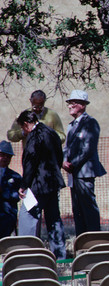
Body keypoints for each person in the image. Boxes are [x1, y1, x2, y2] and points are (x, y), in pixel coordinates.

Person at [16, 111, 66, 259]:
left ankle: (26, 255)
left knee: (28, 218)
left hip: (37, 186)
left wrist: (24, 185)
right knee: (54, 220)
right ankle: (61, 258)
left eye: (23, 128)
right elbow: (59, 156)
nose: (23, 132)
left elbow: (31, 162)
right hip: (52, 183)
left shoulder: (34, 137)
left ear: (26, 124)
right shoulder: (51, 132)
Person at [63, 90, 106, 236]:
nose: (70, 106)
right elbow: (67, 148)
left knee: (88, 208)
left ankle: (95, 241)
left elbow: (88, 149)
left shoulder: (90, 123)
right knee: (77, 210)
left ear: (82, 105)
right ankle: (81, 242)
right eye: (69, 103)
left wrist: (72, 164)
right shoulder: (71, 125)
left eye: (73, 103)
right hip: (73, 174)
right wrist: (63, 161)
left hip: (84, 174)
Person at [0, 140, 22, 238]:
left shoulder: (15, 176)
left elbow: (16, 196)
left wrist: (3, 192)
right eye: (2, 155)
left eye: (8, 156)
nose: (5, 158)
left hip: (7, 214)